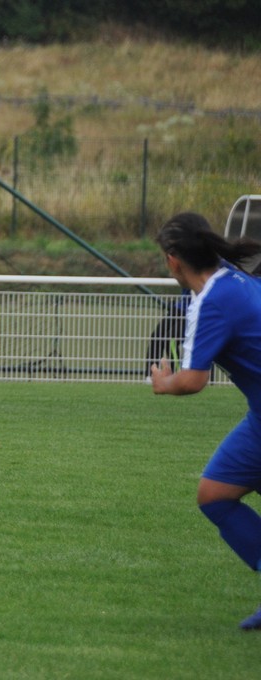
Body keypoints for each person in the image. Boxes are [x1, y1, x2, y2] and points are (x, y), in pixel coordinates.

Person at [149, 211, 261, 630]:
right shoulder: (229, 278)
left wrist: (163, 384)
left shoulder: (214, 300)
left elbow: (194, 381)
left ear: (174, 260)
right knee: (214, 494)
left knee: (216, 497)